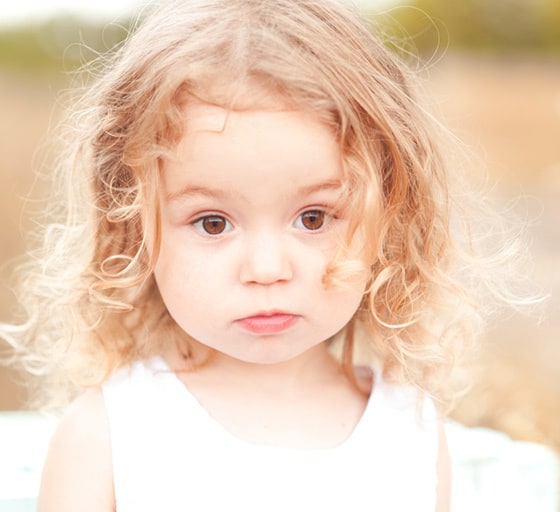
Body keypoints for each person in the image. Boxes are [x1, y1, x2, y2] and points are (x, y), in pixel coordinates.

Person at [0, 0, 533, 510]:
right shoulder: (109, 434)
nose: (267, 269)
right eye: (213, 223)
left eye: (314, 218)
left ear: (388, 218)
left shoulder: (410, 429)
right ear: (133, 226)